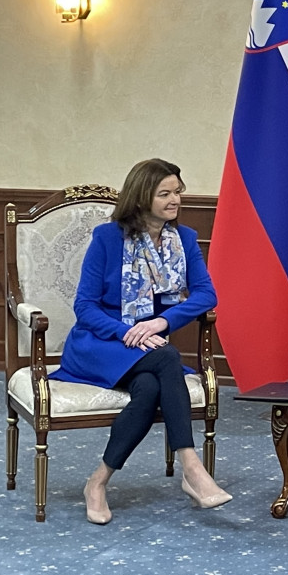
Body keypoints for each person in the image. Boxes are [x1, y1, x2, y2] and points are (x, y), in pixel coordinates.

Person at [51, 158, 232, 525]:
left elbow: (206, 294)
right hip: (99, 344)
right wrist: (126, 332)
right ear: (140, 197)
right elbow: (84, 306)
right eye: (164, 193)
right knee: (166, 356)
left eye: (177, 191)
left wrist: (161, 322)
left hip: (147, 348)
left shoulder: (184, 240)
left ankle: (97, 482)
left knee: (148, 388)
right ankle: (192, 468)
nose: (175, 200)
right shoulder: (107, 238)